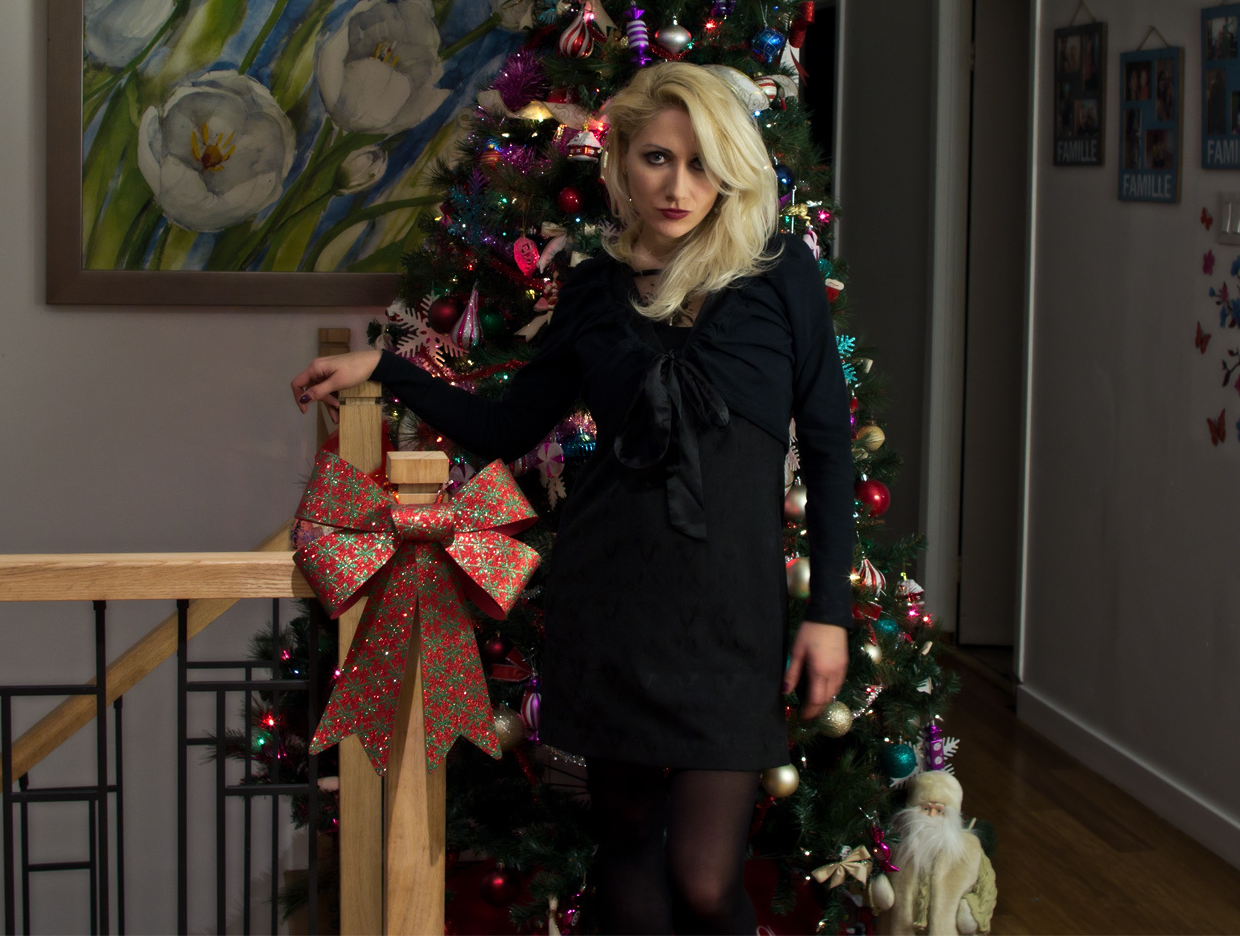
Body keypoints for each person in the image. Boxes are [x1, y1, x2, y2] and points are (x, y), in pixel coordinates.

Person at [290, 63, 855, 935]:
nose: (677, 186)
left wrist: (828, 615)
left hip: (729, 621)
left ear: (731, 168)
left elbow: (826, 449)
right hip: (610, 606)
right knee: (625, 846)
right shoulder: (593, 288)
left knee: (706, 882)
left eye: (701, 163)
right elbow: (509, 425)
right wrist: (391, 369)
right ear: (622, 161)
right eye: (657, 158)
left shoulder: (779, 273)